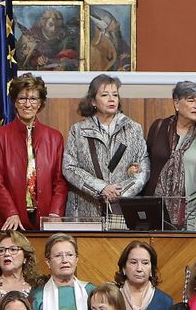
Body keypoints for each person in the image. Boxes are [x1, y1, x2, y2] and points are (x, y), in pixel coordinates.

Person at [62, 75, 148, 221]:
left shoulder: (133, 129)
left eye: (115, 95)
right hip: (85, 211)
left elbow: (143, 169)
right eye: (104, 95)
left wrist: (119, 192)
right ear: (93, 101)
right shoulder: (78, 130)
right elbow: (69, 168)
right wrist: (102, 188)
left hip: (121, 211)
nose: (111, 99)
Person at [0, 74, 68, 230]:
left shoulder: (54, 137)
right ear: (15, 102)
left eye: (33, 99)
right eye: (22, 98)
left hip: (46, 219)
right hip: (10, 219)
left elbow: (59, 181)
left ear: (40, 103)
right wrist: (11, 212)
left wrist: (54, 213)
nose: (27, 104)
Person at [144, 81, 196, 229]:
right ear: (176, 103)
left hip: (190, 213)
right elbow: (146, 162)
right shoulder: (159, 126)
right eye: (191, 100)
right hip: (154, 209)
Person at [116, 240, 174, 310]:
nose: (139, 269)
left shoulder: (165, 301)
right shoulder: (112, 297)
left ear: (151, 269)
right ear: (124, 268)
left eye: (145, 263)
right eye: (133, 262)